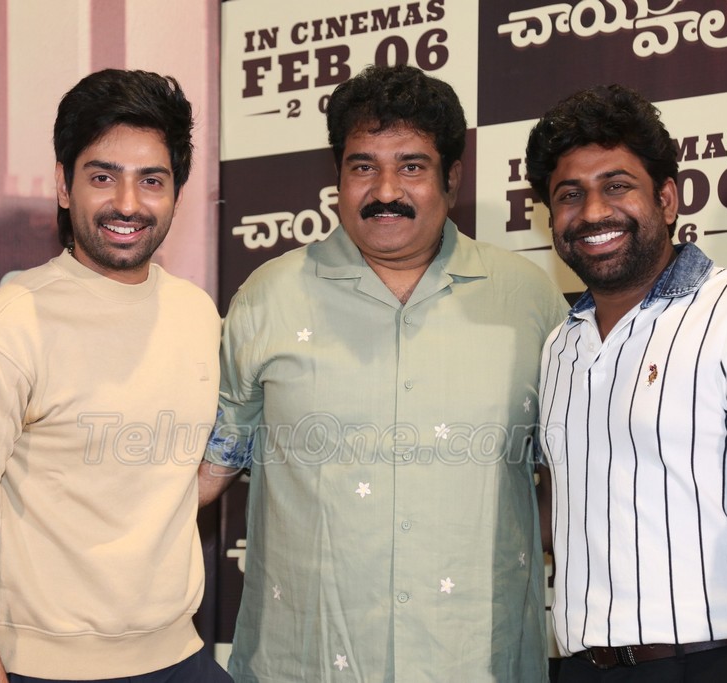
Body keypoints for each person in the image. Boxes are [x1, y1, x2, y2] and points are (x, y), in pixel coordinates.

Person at [198, 64, 569, 682]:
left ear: (452, 178)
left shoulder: (528, 301)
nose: (386, 189)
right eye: (363, 166)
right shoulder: (269, 296)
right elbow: (212, 463)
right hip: (305, 663)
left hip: (474, 660)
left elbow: (576, 475)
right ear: (337, 177)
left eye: (412, 166)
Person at [0, 69, 229, 682]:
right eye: (103, 177)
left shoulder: (197, 313)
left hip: (181, 656)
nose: (127, 203)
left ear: (177, 192)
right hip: (41, 670)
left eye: (151, 180)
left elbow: (165, 483)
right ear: (63, 185)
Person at [525, 84, 727, 683]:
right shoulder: (561, 344)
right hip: (586, 668)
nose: (593, 212)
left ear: (666, 198)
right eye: (570, 194)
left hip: (717, 662)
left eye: (617, 185)